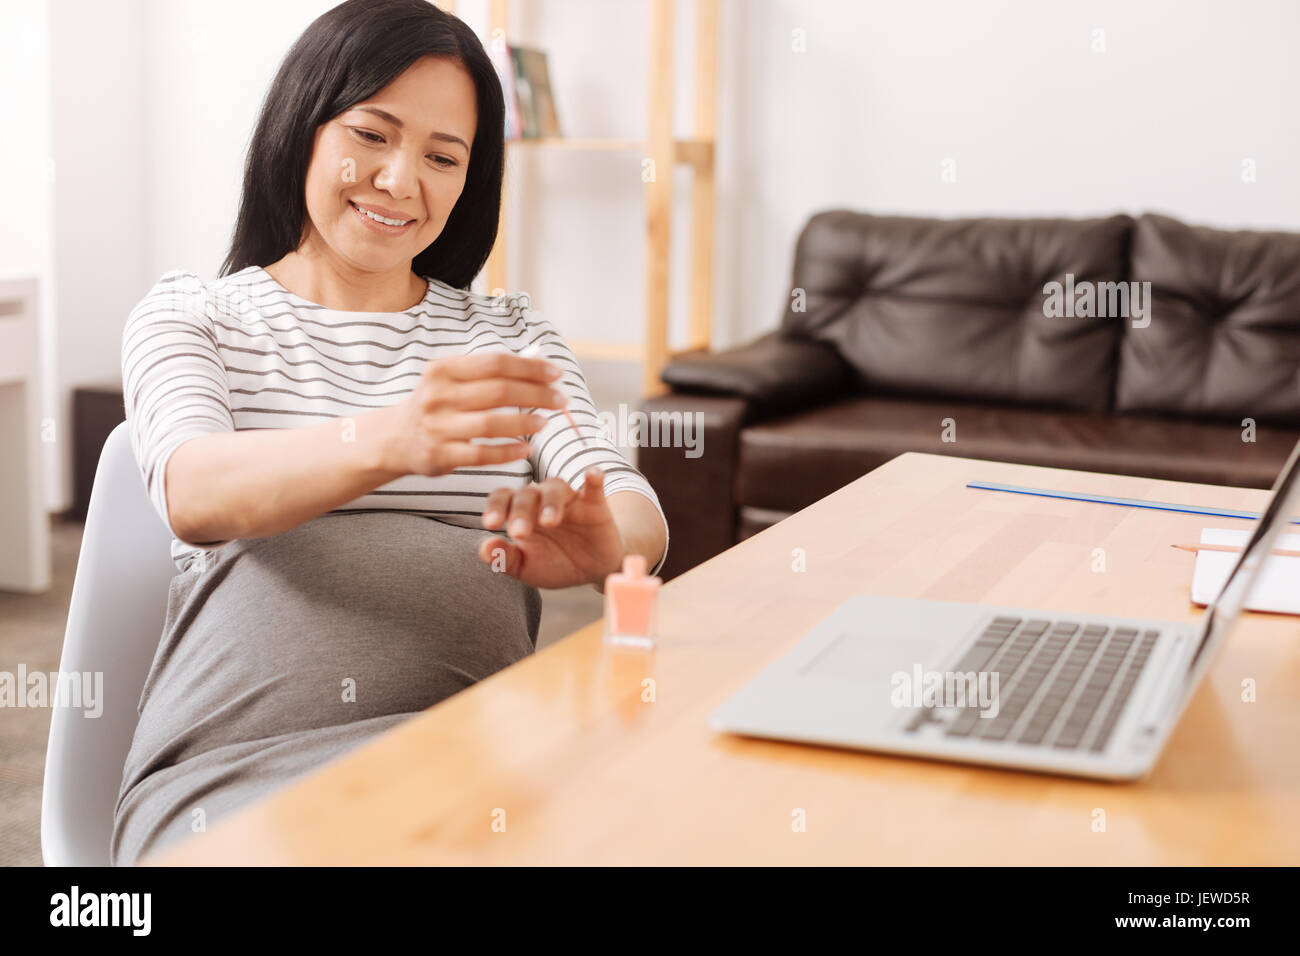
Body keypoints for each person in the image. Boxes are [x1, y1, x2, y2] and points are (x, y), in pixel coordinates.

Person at [111, 0, 668, 866]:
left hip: (474, 757)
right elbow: (195, 492)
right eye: (371, 134)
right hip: (239, 773)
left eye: (443, 157)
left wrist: (603, 544)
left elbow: (635, 515)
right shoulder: (196, 314)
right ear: (303, 126)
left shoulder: (506, 332)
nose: (402, 180)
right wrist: (391, 440)